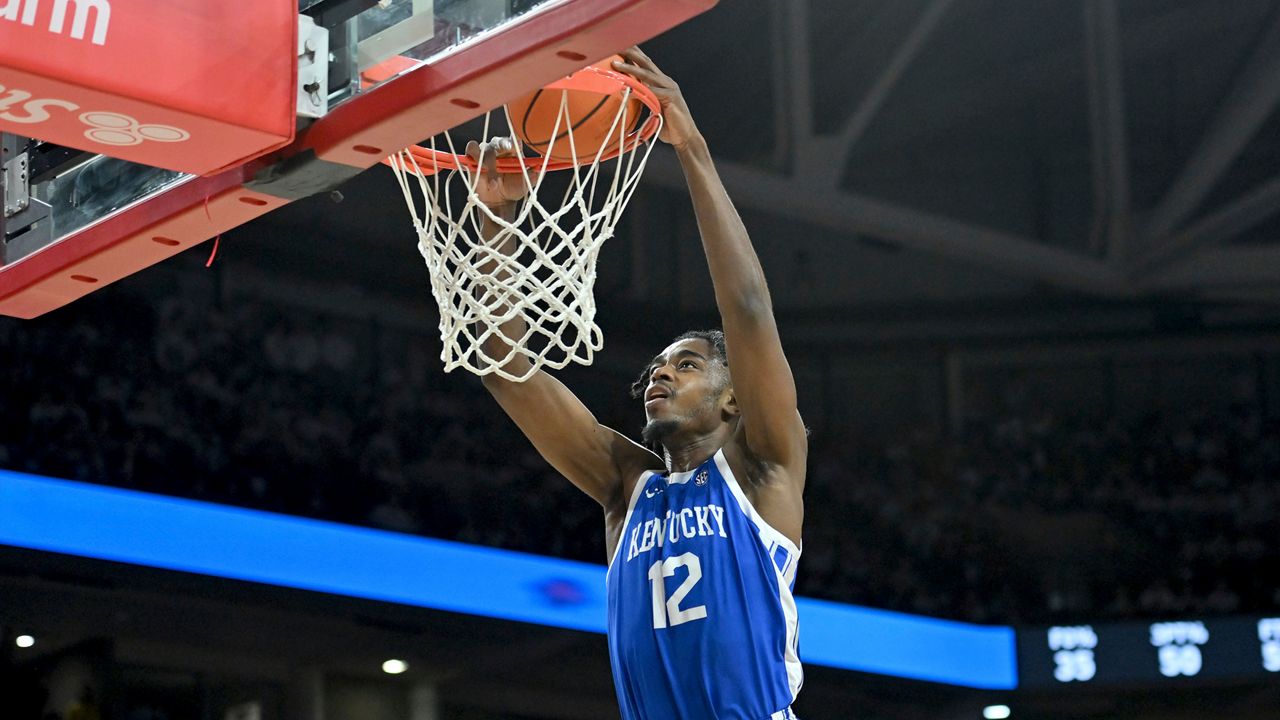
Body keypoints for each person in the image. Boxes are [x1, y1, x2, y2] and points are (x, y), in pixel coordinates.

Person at [471, 47, 807, 719]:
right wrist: (495, 222)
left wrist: (693, 148)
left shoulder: (765, 469)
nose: (661, 373)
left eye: (687, 365)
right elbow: (505, 371)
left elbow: (745, 309)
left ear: (733, 397)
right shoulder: (627, 487)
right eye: (656, 367)